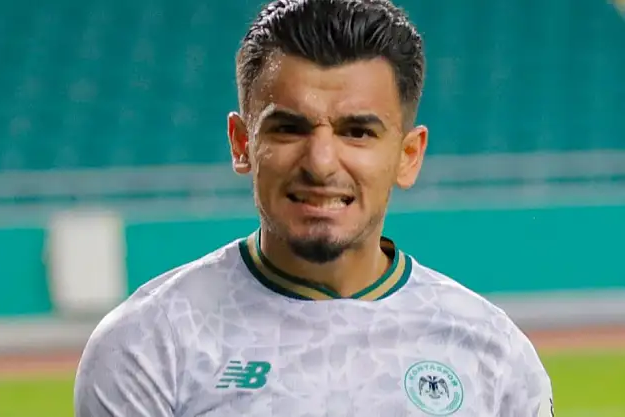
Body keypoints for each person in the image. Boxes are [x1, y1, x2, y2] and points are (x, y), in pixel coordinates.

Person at [74, 0, 554, 416]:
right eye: (289, 129)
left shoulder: (495, 353)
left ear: (408, 156)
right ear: (242, 143)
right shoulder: (148, 344)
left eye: (357, 132)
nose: (321, 164)